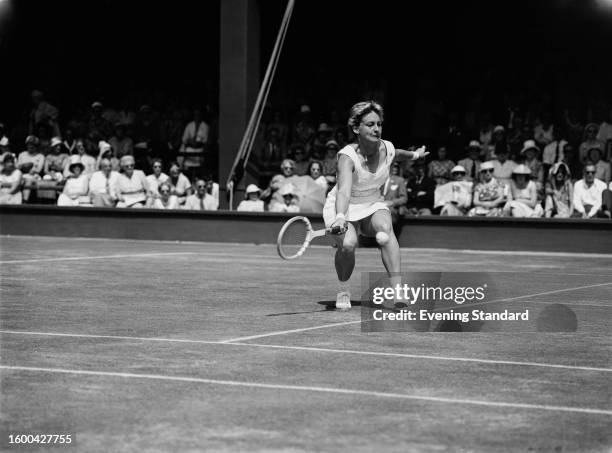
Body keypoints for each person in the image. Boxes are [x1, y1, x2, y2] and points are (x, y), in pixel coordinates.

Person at [323, 101, 428, 310]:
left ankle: (398, 291)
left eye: (379, 124)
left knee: (386, 231)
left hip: (372, 201)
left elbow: (398, 153)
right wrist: (341, 216)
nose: (376, 129)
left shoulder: (386, 148)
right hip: (344, 205)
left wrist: (416, 155)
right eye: (370, 124)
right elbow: (343, 190)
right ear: (356, 128)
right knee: (348, 244)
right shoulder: (347, 156)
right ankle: (343, 289)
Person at [382, 161, 408, 229]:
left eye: (396, 167)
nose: (395, 168)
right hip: (378, 206)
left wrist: (392, 202)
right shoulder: (379, 180)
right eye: (393, 166)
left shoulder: (399, 180)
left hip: (392, 208)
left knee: (387, 212)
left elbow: (404, 198)